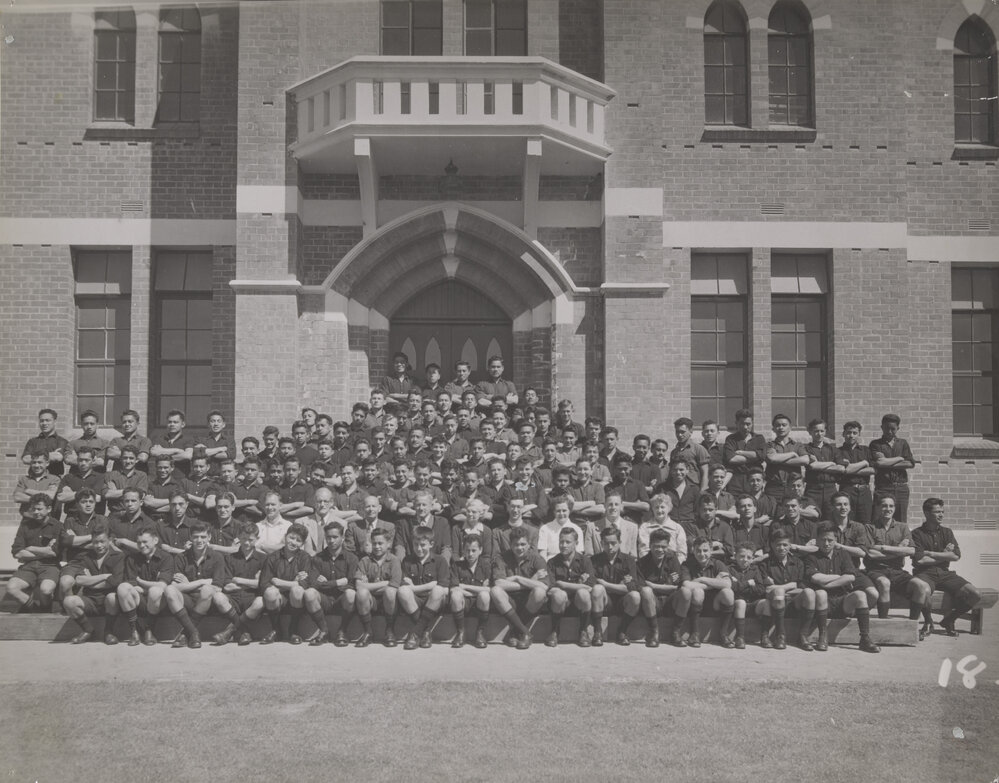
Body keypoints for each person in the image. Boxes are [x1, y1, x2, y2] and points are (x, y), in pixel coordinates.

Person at [909, 497, 982, 638]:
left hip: (945, 574)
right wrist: (944, 554)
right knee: (923, 590)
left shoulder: (947, 532)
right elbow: (920, 561)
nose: (941, 514)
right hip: (924, 574)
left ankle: (949, 620)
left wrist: (931, 553)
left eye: (942, 511)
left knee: (975, 594)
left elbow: (956, 556)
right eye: (937, 512)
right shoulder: (916, 534)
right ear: (926, 513)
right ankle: (928, 623)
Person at [806, 523, 881, 653]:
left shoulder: (842, 554)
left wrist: (828, 583)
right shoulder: (811, 557)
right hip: (823, 604)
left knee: (860, 595)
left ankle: (864, 638)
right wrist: (840, 577)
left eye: (830, 540)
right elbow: (816, 578)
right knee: (821, 593)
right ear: (817, 540)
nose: (826, 543)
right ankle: (823, 636)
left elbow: (851, 577)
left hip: (842, 601)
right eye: (823, 540)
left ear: (836, 540)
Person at [864, 495, 927, 625]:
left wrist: (883, 548)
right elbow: (871, 553)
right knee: (884, 583)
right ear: (877, 508)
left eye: (891, 506)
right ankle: (883, 624)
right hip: (876, 570)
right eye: (884, 506)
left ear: (895, 508)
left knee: (920, 586)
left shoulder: (902, 527)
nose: (888, 509)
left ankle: (912, 625)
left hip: (897, 572)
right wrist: (899, 550)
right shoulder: (869, 528)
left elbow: (912, 551)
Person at [165, 522, 226, 648]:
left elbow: (217, 587)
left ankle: (186, 634)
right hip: (187, 600)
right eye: (196, 537)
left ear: (209, 537)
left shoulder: (217, 557)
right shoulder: (181, 557)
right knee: (169, 590)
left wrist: (188, 584)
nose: (199, 540)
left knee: (207, 590)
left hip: (207, 602)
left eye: (203, 537)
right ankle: (193, 632)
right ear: (191, 538)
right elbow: (174, 586)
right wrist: (201, 582)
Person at [62, 523, 122, 644]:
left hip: (108, 601)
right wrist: (104, 577)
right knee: (68, 601)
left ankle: (108, 631)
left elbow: (115, 582)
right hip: (90, 600)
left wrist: (90, 581)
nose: (99, 545)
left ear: (109, 540)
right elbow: (79, 580)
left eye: (102, 541)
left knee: (112, 598)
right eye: (95, 542)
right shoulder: (86, 557)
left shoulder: (118, 556)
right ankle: (88, 630)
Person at [115, 526, 175, 646]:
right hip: (140, 600)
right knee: (122, 588)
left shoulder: (166, 557)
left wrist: (141, 582)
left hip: (159, 603)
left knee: (155, 591)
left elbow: (163, 585)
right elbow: (131, 584)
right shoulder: (132, 558)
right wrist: (145, 585)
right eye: (138, 543)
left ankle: (149, 630)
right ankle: (134, 631)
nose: (142, 546)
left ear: (155, 540)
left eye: (145, 542)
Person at [303, 521, 359, 646]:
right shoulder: (317, 558)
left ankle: (342, 631)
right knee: (309, 593)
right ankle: (324, 631)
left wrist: (327, 583)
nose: (331, 540)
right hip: (324, 599)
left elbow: (351, 584)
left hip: (342, 599)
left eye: (335, 537)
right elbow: (313, 583)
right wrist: (338, 582)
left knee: (350, 593)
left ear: (342, 538)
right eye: (328, 537)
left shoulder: (352, 558)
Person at [760, 528, 817, 651]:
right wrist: (791, 585)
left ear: (790, 545)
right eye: (778, 545)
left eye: (785, 545)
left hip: (794, 602)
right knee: (779, 593)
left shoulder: (798, 562)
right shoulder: (765, 564)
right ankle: (780, 635)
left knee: (809, 593)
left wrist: (781, 587)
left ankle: (803, 635)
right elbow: (767, 589)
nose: (781, 548)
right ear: (772, 545)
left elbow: (801, 585)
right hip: (775, 603)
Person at [211, 522, 267, 646]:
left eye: (250, 540)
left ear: (257, 539)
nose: (246, 543)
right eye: (243, 539)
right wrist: (253, 583)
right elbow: (227, 586)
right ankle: (244, 631)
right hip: (234, 598)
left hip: (251, 598)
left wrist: (239, 580)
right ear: (239, 538)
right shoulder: (230, 558)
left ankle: (228, 632)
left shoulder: (263, 559)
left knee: (260, 602)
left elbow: (263, 584)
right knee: (218, 597)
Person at [489, 528, 547, 649]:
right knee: (495, 591)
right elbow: (499, 583)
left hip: (529, 601)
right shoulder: (502, 557)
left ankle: (516, 631)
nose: (520, 548)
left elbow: (544, 586)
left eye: (523, 544)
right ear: (510, 545)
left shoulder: (537, 559)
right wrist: (532, 580)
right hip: (510, 600)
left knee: (540, 592)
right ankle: (526, 632)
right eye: (516, 545)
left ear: (529, 544)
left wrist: (517, 578)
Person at [258, 523, 313, 644]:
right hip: (279, 599)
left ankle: (293, 630)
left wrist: (278, 582)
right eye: (291, 538)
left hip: (297, 601)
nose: (293, 542)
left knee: (297, 590)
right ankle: (276, 630)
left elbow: (305, 584)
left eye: (298, 540)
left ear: (302, 544)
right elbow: (264, 583)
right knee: (270, 592)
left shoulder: (305, 558)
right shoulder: (272, 557)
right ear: (285, 536)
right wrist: (294, 582)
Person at [675, 537, 734, 649]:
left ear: (711, 550)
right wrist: (715, 583)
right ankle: (695, 634)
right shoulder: (687, 564)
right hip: (694, 605)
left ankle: (724, 634)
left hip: (714, 604)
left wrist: (702, 579)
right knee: (698, 591)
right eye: (698, 550)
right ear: (693, 551)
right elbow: (687, 585)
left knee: (728, 593)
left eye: (705, 550)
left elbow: (728, 584)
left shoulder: (718, 563)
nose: (702, 554)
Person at [7, 493, 62, 612]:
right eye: (33, 509)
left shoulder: (57, 526)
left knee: (46, 590)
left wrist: (30, 548)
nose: (36, 512)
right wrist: (44, 551)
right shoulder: (25, 525)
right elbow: (16, 552)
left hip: (50, 566)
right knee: (11, 588)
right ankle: (35, 609)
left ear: (49, 509)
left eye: (39, 509)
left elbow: (54, 553)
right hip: (28, 567)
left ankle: (45, 610)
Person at [545, 527, 596, 647]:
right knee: (559, 594)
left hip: (579, 604)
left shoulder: (585, 561)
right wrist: (578, 584)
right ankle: (554, 630)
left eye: (568, 542)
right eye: (561, 541)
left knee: (583, 593)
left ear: (576, 543)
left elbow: (589, 587)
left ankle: (583, 631)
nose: (563, 545)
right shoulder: (552, 562)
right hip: (559, 604)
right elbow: (551, 587)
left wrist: (563, 584)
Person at [590, 526, 641, 647]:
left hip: (623, 603)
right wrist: (619, 586)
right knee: (597, 589)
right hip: (604, 602)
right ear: (602, 543)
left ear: (620, 542)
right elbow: (593, 584)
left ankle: (622, 631)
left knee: (635, 596)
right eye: (606, 543)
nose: (610, 547)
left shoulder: (629, 560)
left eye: (613, 543)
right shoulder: (594, 560)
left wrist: (605, 584)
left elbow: (631, 587)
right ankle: (598, 632)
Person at [354, 528, 403, 647]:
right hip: (371, 601)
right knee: (361, 593)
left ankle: (389, 630)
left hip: (390, 602)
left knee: (390, 592)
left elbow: (395, 584)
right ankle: (368, 631)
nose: (377, 546)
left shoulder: (394, 561)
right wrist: (385, 583)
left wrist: (368, 586)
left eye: (380, 543)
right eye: (374, 543)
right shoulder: (365, 561)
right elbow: (358, 585)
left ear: (388, 544)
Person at [636, 528, 684, 647]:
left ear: (668, 546)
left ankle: (676, 632)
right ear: (650, 545)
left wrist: (653, 585)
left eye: (663, 546)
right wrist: (666, 587)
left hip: (670, 602)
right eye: (656, 546)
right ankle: (654, 632)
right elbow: (643, 587)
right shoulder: (642, 563)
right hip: (652, 604)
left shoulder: (673, 560)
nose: (660, 550)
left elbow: (677, 586)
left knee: (686, 592)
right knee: (646, 591)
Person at [58, 487, 108, 599]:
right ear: (77, 504)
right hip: (74, 563)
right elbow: (66, 541)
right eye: (84, 502)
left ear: (95, 503)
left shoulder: (102, 520)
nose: (88, 505)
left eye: (91, 501)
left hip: (96, 562)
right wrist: (93, 536)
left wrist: (76, 540)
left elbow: (103, 544)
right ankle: (70, 608)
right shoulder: (70, 521)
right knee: (65, 583)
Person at [870, 413, 916, 523]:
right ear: (882, 427)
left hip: (901, 488)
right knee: (878, 519)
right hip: (883, 487)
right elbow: (879, 463)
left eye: (893, 429)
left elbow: (910, 463)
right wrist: (900, 458)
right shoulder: (875, 444)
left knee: (901, 520)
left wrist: (887, 462)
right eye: (887, 428)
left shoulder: (903, 443)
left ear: (898, 428)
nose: (889, 432)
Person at [448, 534, 491, 649]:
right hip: (463, 603)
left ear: (480, 550)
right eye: (467, 550)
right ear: (463, 550)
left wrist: (464, 587)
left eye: (474, 550)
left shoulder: (486, 565)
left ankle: (480, 633)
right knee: (456, 595)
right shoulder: (456, 566)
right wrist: (478, 590)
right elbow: (454, 588)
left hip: (480, 605)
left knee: (485, 595)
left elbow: (490, 589)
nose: (470, 554)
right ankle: (460, 632)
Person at [727, 543, 767, 649]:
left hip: (752, 603)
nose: (745, 560)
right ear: (735, 556)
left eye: (749, 557)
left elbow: (761, 589)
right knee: (741, 602)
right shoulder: (730, 569)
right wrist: (749, 583)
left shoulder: (755, 570)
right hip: (737, 605)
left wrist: (740, 584)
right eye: (742, 556)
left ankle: (765, 636)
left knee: (766, 603)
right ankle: (740, 637)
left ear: (753, 558)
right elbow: (732, 587)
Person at [835, 421, 875, 525]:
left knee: (866, 522)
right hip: (847, 490)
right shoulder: (837, 451)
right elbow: (843, 470)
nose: (851, 435)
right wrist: (864, 463)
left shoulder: (866, 450)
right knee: (847, 522)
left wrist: (852, 469)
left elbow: (873, 470)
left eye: (854, 433)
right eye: (848, 432)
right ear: (843, 434)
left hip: (864, 490)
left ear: (859, 434)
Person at [763, 413, 808, 505]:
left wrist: (780, 460)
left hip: (792, 487)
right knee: (773, 514)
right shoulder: (770, 445)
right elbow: (772, 458)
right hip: (774, 487)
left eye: (784, 425)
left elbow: (805, 460)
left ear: (790, 427)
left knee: (792, 513)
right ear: (773, 429)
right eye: (777, 425)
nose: (781, 427)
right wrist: (792, 454)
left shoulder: (797, 445)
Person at [722, 409, 766, 497]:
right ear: (736, 423)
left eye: (748, 424)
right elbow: (731, 459)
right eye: (742, 423)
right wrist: (754, 458)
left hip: (754, 480)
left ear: (752, 423)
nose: (745, 427)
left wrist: (741, 452)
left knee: (753, 506)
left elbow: (762, 456)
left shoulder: (759, 438)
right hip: (736, 481)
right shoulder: (731, 439)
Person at [802, 418, 839, 519]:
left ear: (825, 432)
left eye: (822, 431)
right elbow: (812, 465)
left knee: (831, 518)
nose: (819, 434)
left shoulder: (832, 449)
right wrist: (832, 463)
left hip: (830, 488)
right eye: (816, 431)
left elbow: (841, 468)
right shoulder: (806, 448)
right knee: (812, 518)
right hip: (813, 489)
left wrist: (819, 464)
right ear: (810, 432)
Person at [638, 493, 687, 562]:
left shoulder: (677, 528)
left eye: (662, 507)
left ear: (669, 508)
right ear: (652, 509)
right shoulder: (645, 527)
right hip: (650, 566)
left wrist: (674, 567)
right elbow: (643, 551)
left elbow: (682, 552)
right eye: (656, 507)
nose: (659, 510)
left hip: (672, 566)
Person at [21, 408, 69, 477]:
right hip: (33, 479)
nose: (44, 423)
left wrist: (35, 456)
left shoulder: (62, 441)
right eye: (42, 421)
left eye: (47, 420)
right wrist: (50, 455)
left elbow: (58, 457)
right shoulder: (32, 441)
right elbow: (25, 459)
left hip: (54, 480)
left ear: (55, 421)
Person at [149, 409, 195, 477]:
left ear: (183, 424)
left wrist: (163, 454)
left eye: (175, 422)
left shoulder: (188, 439)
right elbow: (154, 452)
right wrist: (177, 451)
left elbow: (187, 456)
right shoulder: (159, 439)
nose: (172, 424)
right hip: (162, 480)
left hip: (181, 480)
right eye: (169, 422)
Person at [670, 417, 711, 490]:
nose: (679, 435)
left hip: (693, 489)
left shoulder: (698, 449)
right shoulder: (674, 452)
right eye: (677, 432)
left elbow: (705, 472)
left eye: (682, 432)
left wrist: (702, 491)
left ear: (690, 432)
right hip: (677, 489)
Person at [105, 409, 152, 474]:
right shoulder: (116, 440)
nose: (127, 424)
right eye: (124, 422)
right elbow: (110, 453)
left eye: (130, 421)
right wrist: (136, 454)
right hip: (118, 477)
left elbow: (143, 457)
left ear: (137, 423)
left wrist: (119, 453)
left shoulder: (144, 440)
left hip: (137, 478)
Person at [195, 410, 236, 476]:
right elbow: (197, 454)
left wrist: (205, 451)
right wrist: (220, 449)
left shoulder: (229, 440)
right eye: (213, 421)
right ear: (208, 424)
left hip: (223, 478)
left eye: (219, 421)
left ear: (223, 424)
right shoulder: (200, 439)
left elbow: (230, 455)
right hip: (205, 478)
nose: (216, 424)